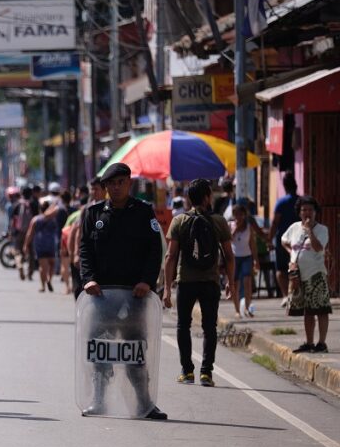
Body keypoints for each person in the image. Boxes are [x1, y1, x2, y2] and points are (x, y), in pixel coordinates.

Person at [79, 162, 167, 420]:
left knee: (135, 352)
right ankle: (97, 400)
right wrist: (88, 280)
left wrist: (147, 281)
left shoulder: (143, 212)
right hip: (101, 297)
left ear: (129, 184)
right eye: (111, 184)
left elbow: (155, 250)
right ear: (104, 187)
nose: (116, 188)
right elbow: (85, 251)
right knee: (101, 350)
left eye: (121, 182)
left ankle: (144, 403)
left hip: (134, 297)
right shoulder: (94, 214)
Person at [163, 179, 235, 387]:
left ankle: (187, 372)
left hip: (185, 281)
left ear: (188, 198)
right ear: (206, 197)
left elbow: (170, 256)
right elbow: (229, 256)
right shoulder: (218, 221)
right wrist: (230, 282)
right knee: (209, 327)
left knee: (182, 326)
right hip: (210, 282)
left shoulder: (179, 221)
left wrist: (167, 289)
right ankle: (206, 373)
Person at [282, 197, 331, 353]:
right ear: (299, 212)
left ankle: (321, 343)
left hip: (315, 274)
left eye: (310, 209)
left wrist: (310, 230)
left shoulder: (322, 230)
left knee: (321, 309)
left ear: (316, 212)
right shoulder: (294, 228)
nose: (307, 213)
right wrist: (292, 254)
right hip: (298, 276)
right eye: (304, 210)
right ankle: (309, 342)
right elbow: (284, 240)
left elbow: (317, 248)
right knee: (307, 311)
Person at [269, 171, 300, 301]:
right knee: (297, 268)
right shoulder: (301, 201)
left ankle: (286, 296)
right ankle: (295, 294)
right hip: (299, 239)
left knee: (281, 269)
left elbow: (275, 222)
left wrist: (269, 239)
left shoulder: (281, 203)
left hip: (283, 240)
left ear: (284, 186)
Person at [229, 199, 260, 318]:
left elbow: (252, 244)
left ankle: (247, 308)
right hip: (234, 258)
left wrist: (256, 259)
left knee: (247, 282)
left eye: (240, 214)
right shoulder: (230, 225)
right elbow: (228, 240)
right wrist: (235, 229)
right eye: (236, 214)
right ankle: (237, 310)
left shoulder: (248, 227)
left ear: (244, 214)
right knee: (235, 284)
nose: (238, 217)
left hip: (247, 256)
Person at [24, 201, 59, 293]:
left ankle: (43, 286)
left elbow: (29, 233)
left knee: (42, 267)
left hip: (40, 244)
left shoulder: (36, 219)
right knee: (52, 264)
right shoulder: (53, 219)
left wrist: (26, 245)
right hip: (51, 243)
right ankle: (49, 280)